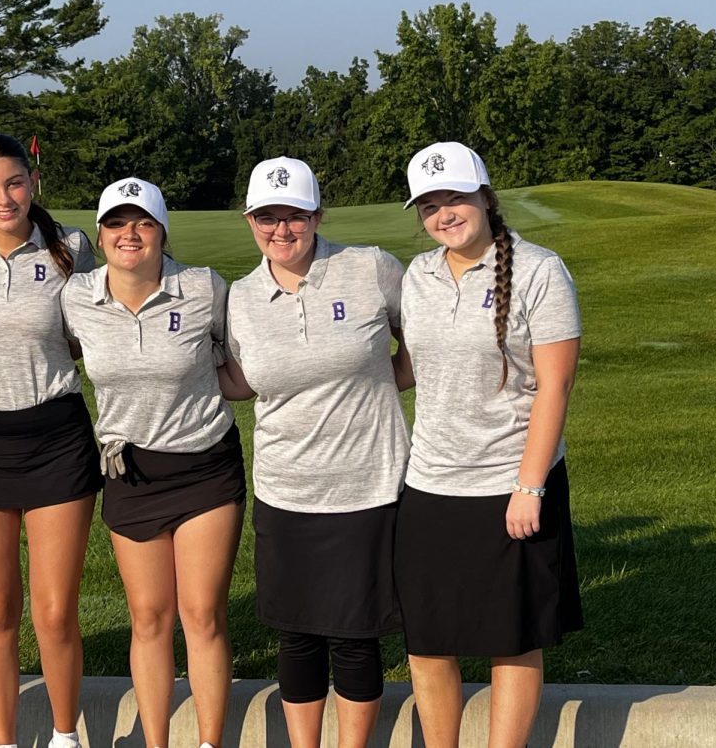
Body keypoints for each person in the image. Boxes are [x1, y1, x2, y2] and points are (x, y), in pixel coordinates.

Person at [218, 157, 411, 748]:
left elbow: (421, 346)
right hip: (286, 490)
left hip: (368, 487)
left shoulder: (370, 268)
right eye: (267, 217)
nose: (281, 230)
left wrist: (375, 383)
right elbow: (242, 382)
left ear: (318, 216)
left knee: (355, 636)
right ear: (250, 220)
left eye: (294, 216)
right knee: (296, 636)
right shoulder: (242, 297)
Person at [395, 141, 583, 748]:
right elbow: (406, 366)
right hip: (430, 483)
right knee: (427, 641)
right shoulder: (418, 275)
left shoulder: (538, 269)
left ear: (485, 196)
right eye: (429, 205)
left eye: (454, 198)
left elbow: (555, 386)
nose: (444, 214)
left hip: (510, 482)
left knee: (513, 639)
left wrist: (530, 487)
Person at [61, 177, 245, 748]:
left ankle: (212, 741)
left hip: (204, 465)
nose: (130, 233)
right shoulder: (76, 296)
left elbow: (239, 366)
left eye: (143, 222)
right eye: (116, 223)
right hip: (130, 473)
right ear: (101, 233)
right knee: (149, 617)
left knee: (203, 615)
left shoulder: (203, 287)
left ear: (163, 231)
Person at [0, 133, 101, 748]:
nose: (3, 198)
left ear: (32, 181)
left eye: (13, 183)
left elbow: (98, 327)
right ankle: (4, 740)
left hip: (57, 436)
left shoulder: (71, 248)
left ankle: (64, 736)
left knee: (55, 612)